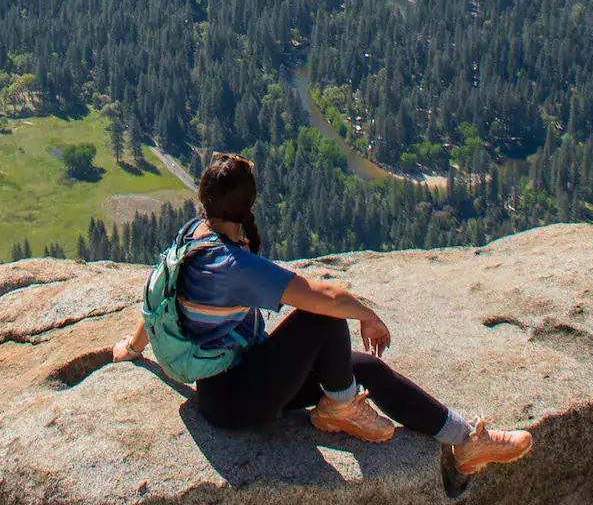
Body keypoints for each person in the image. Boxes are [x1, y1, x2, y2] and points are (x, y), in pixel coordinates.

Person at [113, 152, 532, 476]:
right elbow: (321, 296)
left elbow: (160, 303)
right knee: (323, 317)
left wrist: (132, 348)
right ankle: (340, 408)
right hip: (237, 401)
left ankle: (465, 440)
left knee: (363, 366)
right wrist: (367, 314)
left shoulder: (192, 236)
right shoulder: (233, 266)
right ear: (248, 204)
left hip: (231, 387)